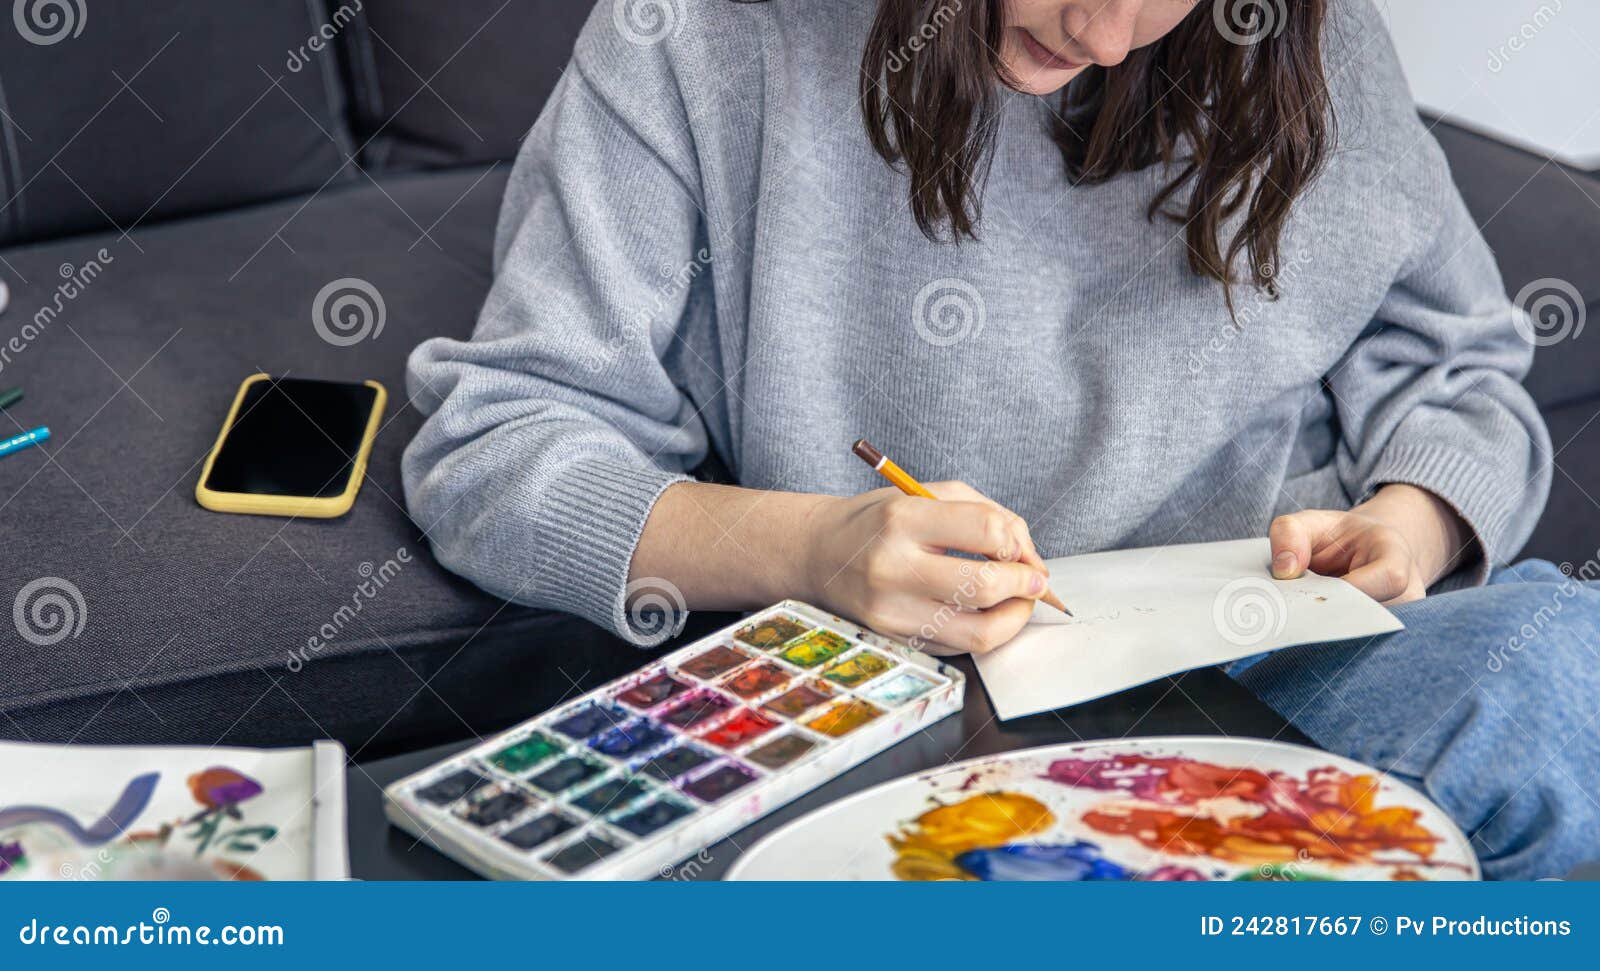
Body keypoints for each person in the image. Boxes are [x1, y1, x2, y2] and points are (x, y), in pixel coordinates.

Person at [403, 0, 1597, 878]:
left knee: (1560, 660)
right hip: (900, 701)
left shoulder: (1302, 41)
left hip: (1274, 662)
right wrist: (812, 545)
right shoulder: (698, 37)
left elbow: (1458, 362)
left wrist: (1410, 520)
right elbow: (500, 444)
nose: (1110, 33)